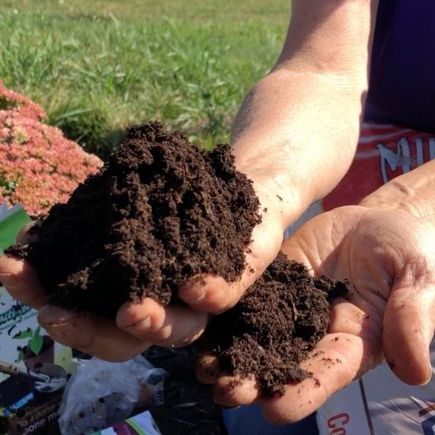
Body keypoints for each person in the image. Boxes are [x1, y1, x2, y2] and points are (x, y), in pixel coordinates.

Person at [2, 0, 435, 433]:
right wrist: (253, 188)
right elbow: (321, 69)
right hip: (351, 184)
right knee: (260, 407)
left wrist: (417, 206)